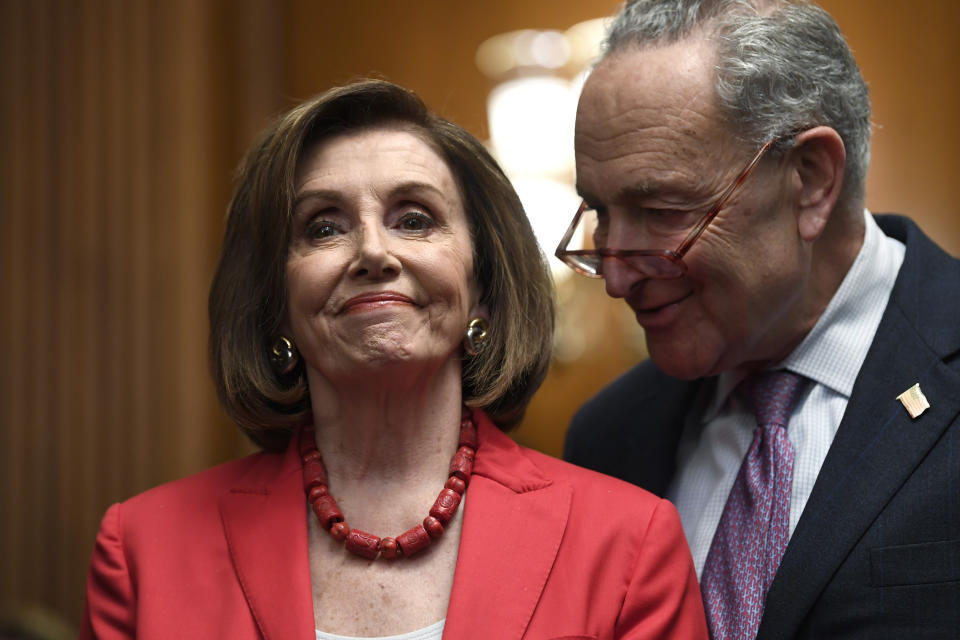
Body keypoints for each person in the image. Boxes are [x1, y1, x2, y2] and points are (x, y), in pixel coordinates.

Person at [80, 79, 707, 639]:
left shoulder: (628, 544)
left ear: (482, 287)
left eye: (414, 219)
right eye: (323, 227)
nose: (374, 252)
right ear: (275, 301)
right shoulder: (140, 551)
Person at [560, 1, 960, 638]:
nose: (615, 276)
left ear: (809, 180)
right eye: (601, 214)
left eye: (662, 210)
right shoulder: (607, 438)